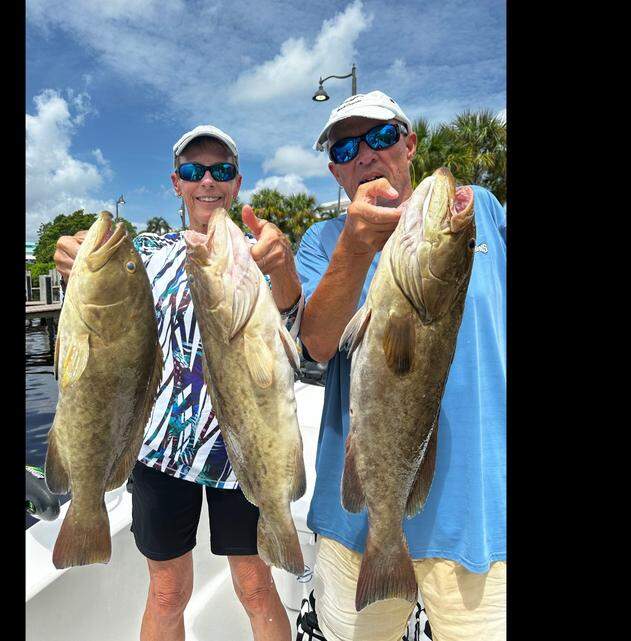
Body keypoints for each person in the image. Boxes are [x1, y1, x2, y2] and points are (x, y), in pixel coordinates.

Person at [52, 125, 303, 641]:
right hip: (158, 450)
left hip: (243, 452)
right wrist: (73, 263)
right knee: (167, 593)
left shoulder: (257, 252)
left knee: (256, 587)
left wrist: (283, 273)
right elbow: (103, 299)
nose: (207, 181)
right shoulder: (144, 252)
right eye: (193, 171)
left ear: (237, 182)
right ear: (176, 183)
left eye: (221, 170)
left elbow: (293, 322)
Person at [293, 91, 507, 641]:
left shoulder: (479, 211)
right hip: (357, 523)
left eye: (382, 137)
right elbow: (316, 345)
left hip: (479, 516)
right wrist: (354, 249)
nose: (365, 154)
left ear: (409, 145)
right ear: (335, 171)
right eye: (345, 149)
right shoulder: (322, 240)